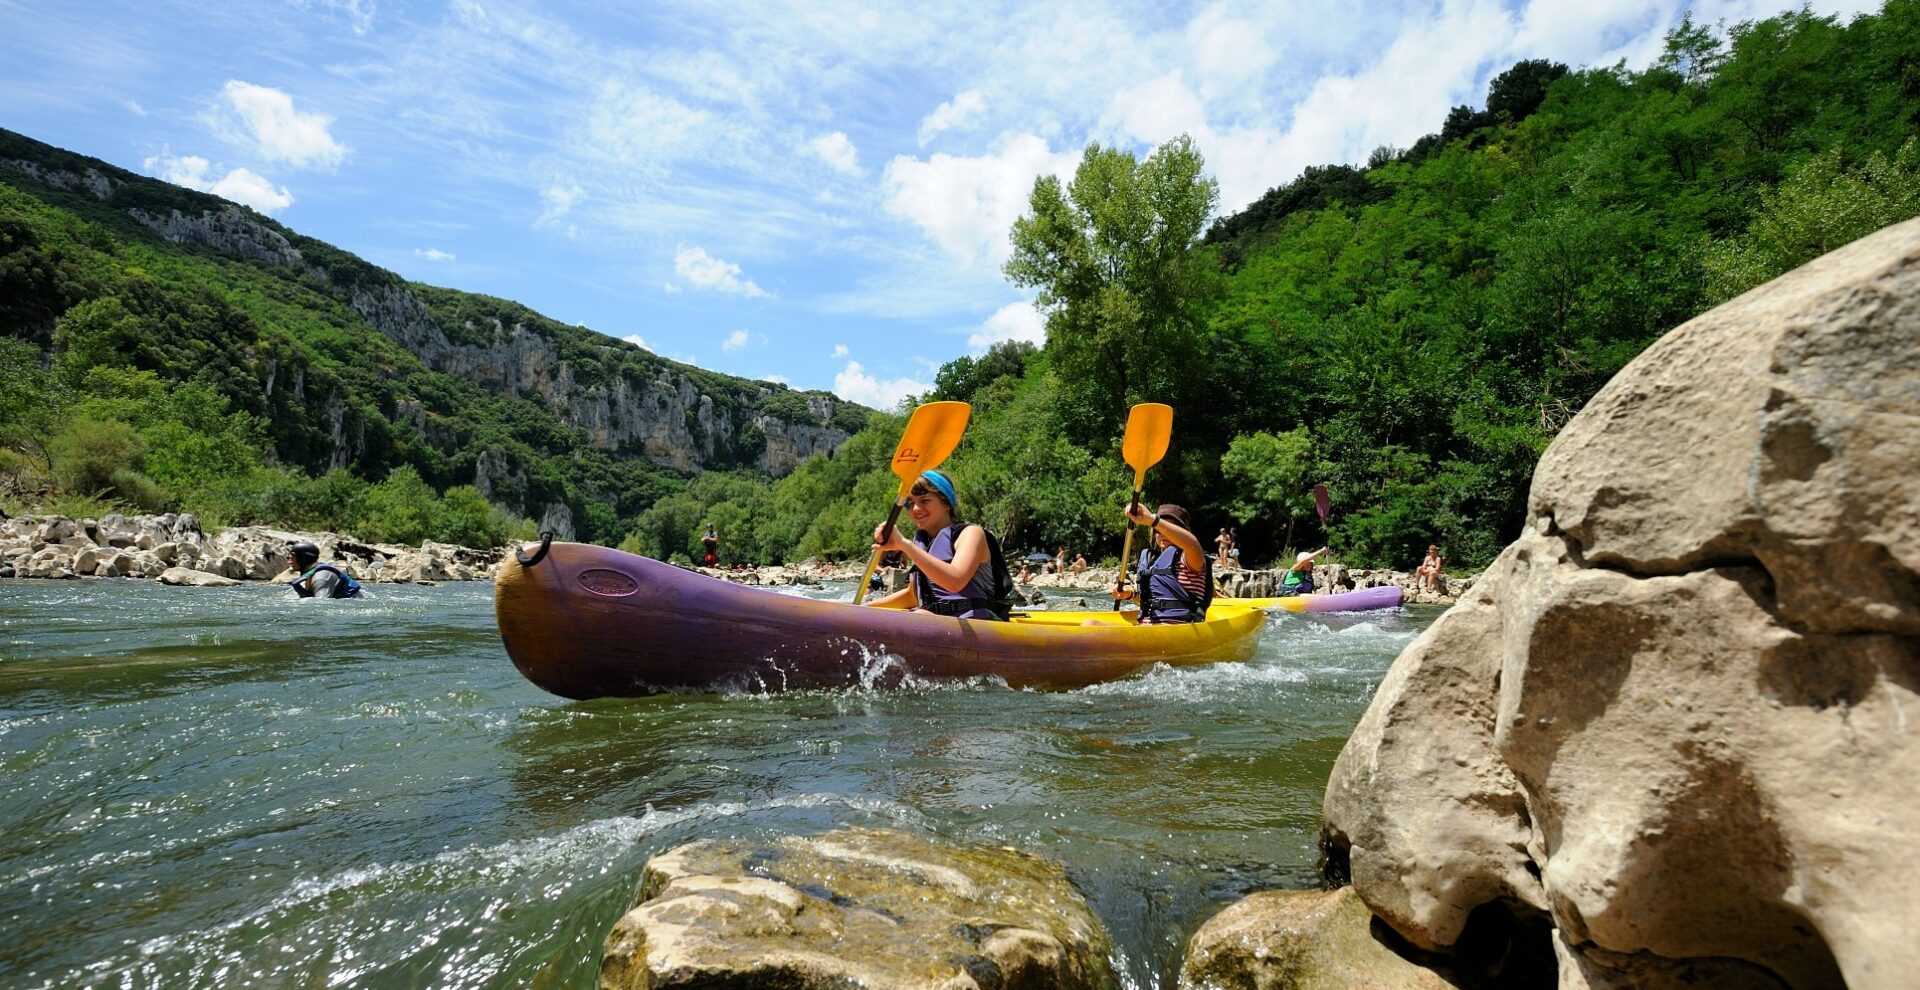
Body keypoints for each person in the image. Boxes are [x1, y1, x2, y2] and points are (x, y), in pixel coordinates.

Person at [867, 469, 1013, 621]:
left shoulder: (971, 534)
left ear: (946, 503)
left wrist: (905, 545)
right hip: (940, 625)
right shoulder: (923, 544)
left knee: (918, 616)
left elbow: (955, 581)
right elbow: (913, 595)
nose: (915, 509)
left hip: (980, 626)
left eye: (924, 501)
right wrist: (866, 608)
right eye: (910, 503)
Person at [1111, 503, 1212, 624]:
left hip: (1177, 631)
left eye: (1168, 530)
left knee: (1090, 626)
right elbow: (1153, 599)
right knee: (1092, 624)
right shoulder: (1153, 562)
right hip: (1150, 629)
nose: (1163, 533)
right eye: (1158, 530)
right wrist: (1130, 594)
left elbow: (1192, 545)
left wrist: (1152, 520)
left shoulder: (1190, 559)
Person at [286, 541, 363, 599]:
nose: (289, 561)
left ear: (303, 558)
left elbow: (321, 606)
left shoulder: (321, 578)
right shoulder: (311, 574)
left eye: (291, 558)